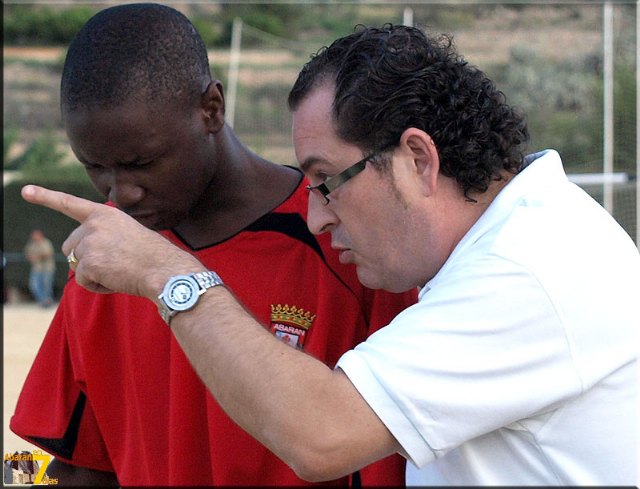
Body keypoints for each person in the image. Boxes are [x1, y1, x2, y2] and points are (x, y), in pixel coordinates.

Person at [19, 24, 639, 486]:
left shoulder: (527, 271)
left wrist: (167, 274)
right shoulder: (495, 250)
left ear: (419, 159)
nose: (315, 212)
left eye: (326, 180)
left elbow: (320, 435)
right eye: (94, 167)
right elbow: (66, 464)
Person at [10, 7, 417, 487]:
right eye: (94, 166)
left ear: (211, 109)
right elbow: (79, 466)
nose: (121, 192)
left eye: (142, 162)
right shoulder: (106, 257)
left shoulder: (347, 247)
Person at [23, 229, 56, 307]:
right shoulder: (32, 244)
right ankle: (43, 300)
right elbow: (28, 253)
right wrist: (31, 257)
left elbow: (48, 254)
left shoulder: (46, 242)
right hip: (36, 268)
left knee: (47, 286)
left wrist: (37, 256)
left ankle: (48, 301)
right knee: (34, 285)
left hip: (47, 268)